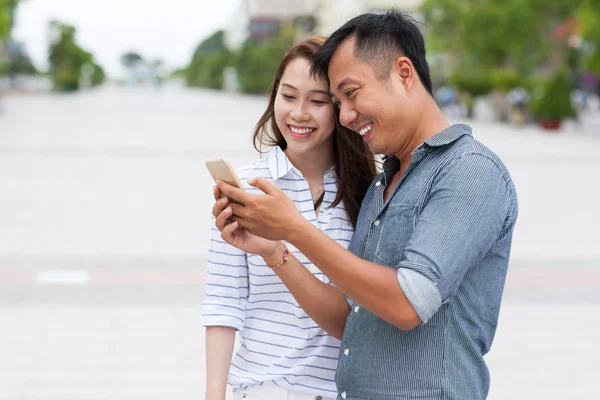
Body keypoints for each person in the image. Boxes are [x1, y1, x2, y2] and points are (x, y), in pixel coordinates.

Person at [213, 11, 518, 400]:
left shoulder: (470, 170)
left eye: (351, 93)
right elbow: (348, 317)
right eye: (338, 102)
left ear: (404, 74)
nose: (345, 116)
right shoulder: (383, 182)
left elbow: (409, 302)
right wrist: (275, 251)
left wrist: (295, 229)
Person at [202, 36, 376, 400]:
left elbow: (362, 313)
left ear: (342, 108)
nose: (299, 113)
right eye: (288, 96)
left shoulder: (367, 194)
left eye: (317, 101)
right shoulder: (248, 186)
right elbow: (223, 301)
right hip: (264, 389)